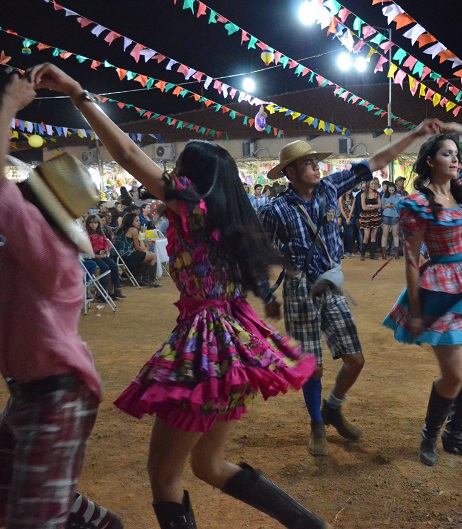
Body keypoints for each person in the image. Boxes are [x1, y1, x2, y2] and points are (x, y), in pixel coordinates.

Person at [30, 62, 329, 529]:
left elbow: (127, 153)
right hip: (238, 342)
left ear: (191, 178)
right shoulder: (235, 216)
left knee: (163, 476)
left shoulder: (191, 207)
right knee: (210, 465)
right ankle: (311, 525)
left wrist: (79, 94)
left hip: (206, 346)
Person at [262, 120, 440, 458]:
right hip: (300, 290)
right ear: (291, 173)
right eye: (308, 163)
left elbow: (375, 161)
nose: (316, 167)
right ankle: (316, 423)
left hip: (331, 284)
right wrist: (268, 293)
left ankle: (333, 408)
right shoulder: (276, 210)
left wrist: (415, 135)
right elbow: (260, 253)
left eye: (316, 162)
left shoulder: (330, 188)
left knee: (355, 359)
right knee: (311, 365)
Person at [0, 68, 123, 529]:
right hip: (40, 392)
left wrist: (10, 106)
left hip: (53, 396)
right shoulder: (40, 246)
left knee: (29, 516)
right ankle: (98, 523)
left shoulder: (43, 245)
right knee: (17, 494)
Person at [383, 121, 462, 466]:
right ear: (429, 162)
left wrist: (454, 128)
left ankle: (455, 434)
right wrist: (418, 311)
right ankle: (430, 434)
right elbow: (411, 261)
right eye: (446, 154)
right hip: (442, 288)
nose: (455, 159)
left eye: (456, 154)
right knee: (454, 372)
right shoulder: (416, 204)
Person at [85, 214, 126, 299]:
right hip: (93, 256)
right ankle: (103, 291)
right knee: (105, 267)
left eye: (95, 223)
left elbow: (105, 244)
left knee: (114, 266)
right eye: (91, 223)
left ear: (98, 224)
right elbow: (88, 248)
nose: (93, 225)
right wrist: (98, 253)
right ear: (88, 224)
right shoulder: (86, 235)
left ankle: (117, 289)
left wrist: (106, 250)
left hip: (102, 255)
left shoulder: (100, 233)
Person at [359, 179, 382, 260]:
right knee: (366, 235)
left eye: (374, 184)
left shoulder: (377, 194)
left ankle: (372, 254)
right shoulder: (363, 194)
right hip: (366, 216)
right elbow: (363, 207)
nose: (373, 185)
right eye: (372, 183)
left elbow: (379, 205)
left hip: (375, 216)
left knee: (374, 235)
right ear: (368, 184)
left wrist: (370, 206)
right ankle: (362, 253)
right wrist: (373, 206)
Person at [380, 181, 401, 258]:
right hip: (386, 215)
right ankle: (383, 253)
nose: (391, 192)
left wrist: (395, 205)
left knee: (395, 234)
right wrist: (387, 205)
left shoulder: (398, 196)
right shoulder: (384, 196)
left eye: (393, 190)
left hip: (395, 216)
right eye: (390, 190)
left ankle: (396, 253)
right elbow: (382, 207)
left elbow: (400, 205)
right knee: (385, 234)